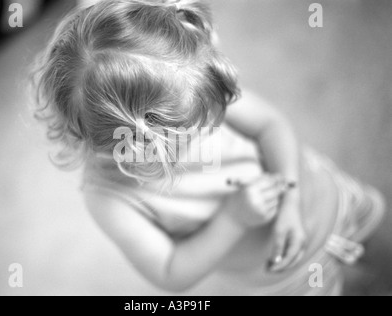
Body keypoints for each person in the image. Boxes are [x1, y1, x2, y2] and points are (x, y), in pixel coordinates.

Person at [31, 0, 386, 295]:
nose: (217, 124)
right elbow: (170, 273)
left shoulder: (191, 81)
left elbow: (270, 125)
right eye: (200, 128)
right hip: (281, 278)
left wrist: (290, 199)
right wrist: (233, 217)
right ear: (144, 144)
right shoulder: (107, 198)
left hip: (333, 202)